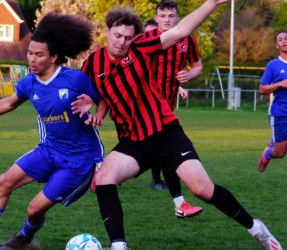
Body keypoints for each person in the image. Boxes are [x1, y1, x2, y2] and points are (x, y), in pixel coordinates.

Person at [79, 1, 282, 249]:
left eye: (128, 37)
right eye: (118, 35)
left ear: (135, 38)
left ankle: (256, 228)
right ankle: (119, 245)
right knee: (103, 180)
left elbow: (181, 30)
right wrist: (93, 105)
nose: (122, 42)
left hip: (165, 133)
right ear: (108, 31)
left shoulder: (141, 48)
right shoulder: (91, 64)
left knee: (202, 190)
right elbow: (98, 94)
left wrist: (211, 3)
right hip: (133, 141)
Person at [0, 13, 104, 250]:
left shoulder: (75, 79)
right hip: (49, 150)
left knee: (34, 209)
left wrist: (97, 111)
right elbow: (8, 103)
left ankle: (23, 238)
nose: (32, 58)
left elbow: (104, 98)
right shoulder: (29, 82)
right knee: (4, 181)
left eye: (39, 54)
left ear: (53, 56)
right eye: (30, 53)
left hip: (77, 160)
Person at [144, 13, 203, 218]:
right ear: (156, 18)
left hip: (165, 108)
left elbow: (197, 67)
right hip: (146, 108)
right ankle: (101, 172)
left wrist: (187, 77)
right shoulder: (147, 40)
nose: (167, 19)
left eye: (171, 16)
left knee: (162, 151)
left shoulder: (187, 40)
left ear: (178, 17)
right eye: (163, 16)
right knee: (166, 151)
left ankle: (102, 174)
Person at [258, 30, 287, 172]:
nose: (284, 41)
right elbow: (262, 89)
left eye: (286, 38)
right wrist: (280, 84)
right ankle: (268, 153)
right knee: (280, 153)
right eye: (280, 39)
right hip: (281, 113)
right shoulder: (273, 65)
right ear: (277, 45)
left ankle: (274, 143)